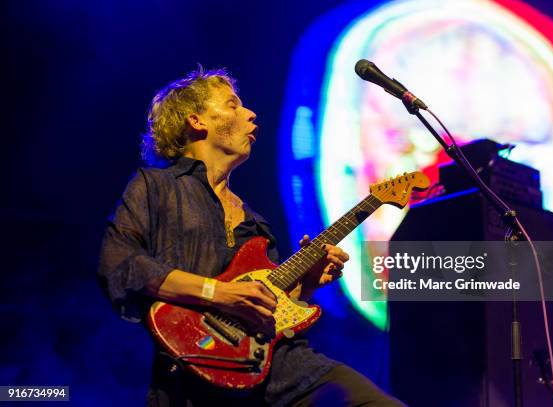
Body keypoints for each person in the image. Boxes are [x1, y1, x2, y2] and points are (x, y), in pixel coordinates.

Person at [98, 66, 405, 406]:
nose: (250, 113)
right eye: (232, 104)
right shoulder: (155, 187)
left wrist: (308, 284)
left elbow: (274, 305)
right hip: (197, 370)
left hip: (286, 370)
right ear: (197, 121)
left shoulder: (255, 223)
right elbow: (120, 264)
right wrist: (219, 293)